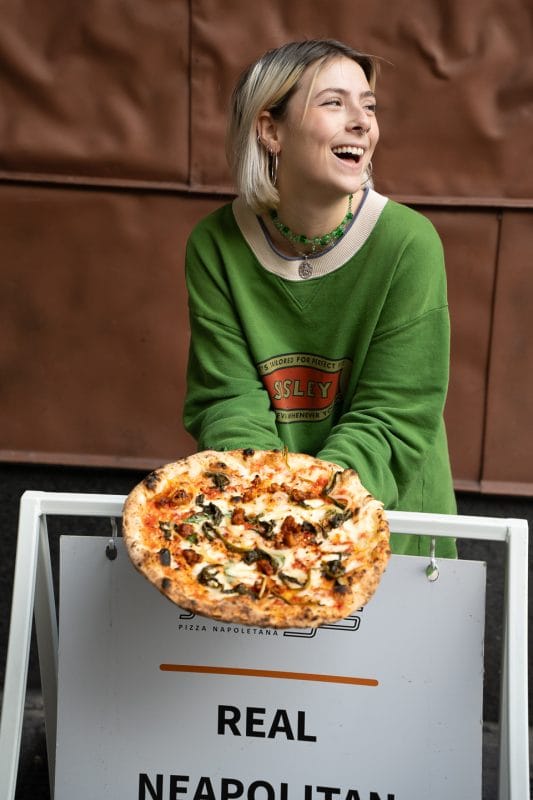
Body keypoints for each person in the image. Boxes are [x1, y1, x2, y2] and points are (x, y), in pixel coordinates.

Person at [183, 39, 456, 558]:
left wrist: (310, 512)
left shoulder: (409, 244)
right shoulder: (215, 245)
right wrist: (270, 513)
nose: (362, 123)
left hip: (391, 527)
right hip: (264, 524)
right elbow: (228, 401)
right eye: (334, 103)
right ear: (270, 130)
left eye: (369, 106)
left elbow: (391, 417)